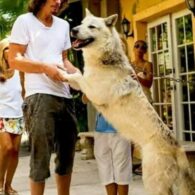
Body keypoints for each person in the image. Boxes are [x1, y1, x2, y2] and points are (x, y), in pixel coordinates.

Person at [8, 0, 78, 195]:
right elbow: (14, 59)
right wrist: (44, 68)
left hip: (65, 95)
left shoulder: (63, 25)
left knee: (66, 157)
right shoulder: (25, 21)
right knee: (40, 158)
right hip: (39, 96)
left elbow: (63, 59)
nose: (58, 2)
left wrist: (79, 75)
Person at [0, 38, 24, 195]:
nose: (10, 51)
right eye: (7, 48)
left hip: (18, 115)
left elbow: (24, 92)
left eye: (13, 48)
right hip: (1, 115)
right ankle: (0, 183)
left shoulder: (20, 71)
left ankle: (8, 186)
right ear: (2, 52)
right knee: (7, 148)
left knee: (15, 151)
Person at [131, 40, 153, 175]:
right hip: (132, 102)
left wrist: (137, 78)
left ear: (146, 50)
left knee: (146, 135)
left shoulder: (147, 65)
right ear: (133, 48)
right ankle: (128, 164)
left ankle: (147, 165)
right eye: (137, 46)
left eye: (143, 47)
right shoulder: (128, 64)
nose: (140, 48)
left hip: (145, 101)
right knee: (131, 135)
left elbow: (149, 83)